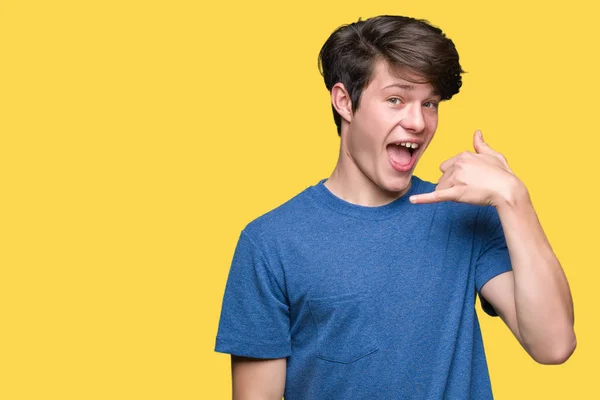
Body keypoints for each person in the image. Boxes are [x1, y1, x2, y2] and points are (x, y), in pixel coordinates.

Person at [214, 15, 576, 399]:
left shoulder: (465, 217)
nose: (418, 122)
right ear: (344, 103)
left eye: (430, 103)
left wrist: (513, 197)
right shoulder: (270, 243)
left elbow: (554, 345)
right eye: (395, 100)